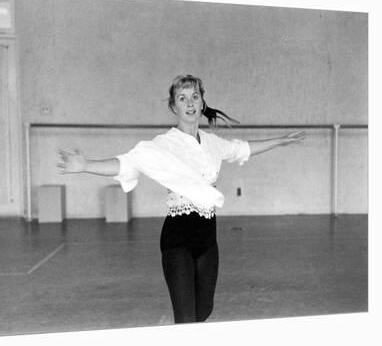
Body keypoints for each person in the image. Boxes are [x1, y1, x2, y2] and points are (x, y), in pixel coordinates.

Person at [57, 75, 305, 324]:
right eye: (182, 98)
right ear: (174, 107)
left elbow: (243, 149)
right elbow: (127, 163)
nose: (190, 103)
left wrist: (281, 141)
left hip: (208, 238)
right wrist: (86, 164)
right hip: (178, 238)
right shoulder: (162, 144)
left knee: (203, 311)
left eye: (195, 97)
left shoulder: (212, 143)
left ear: (202, 102)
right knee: (186, 319)